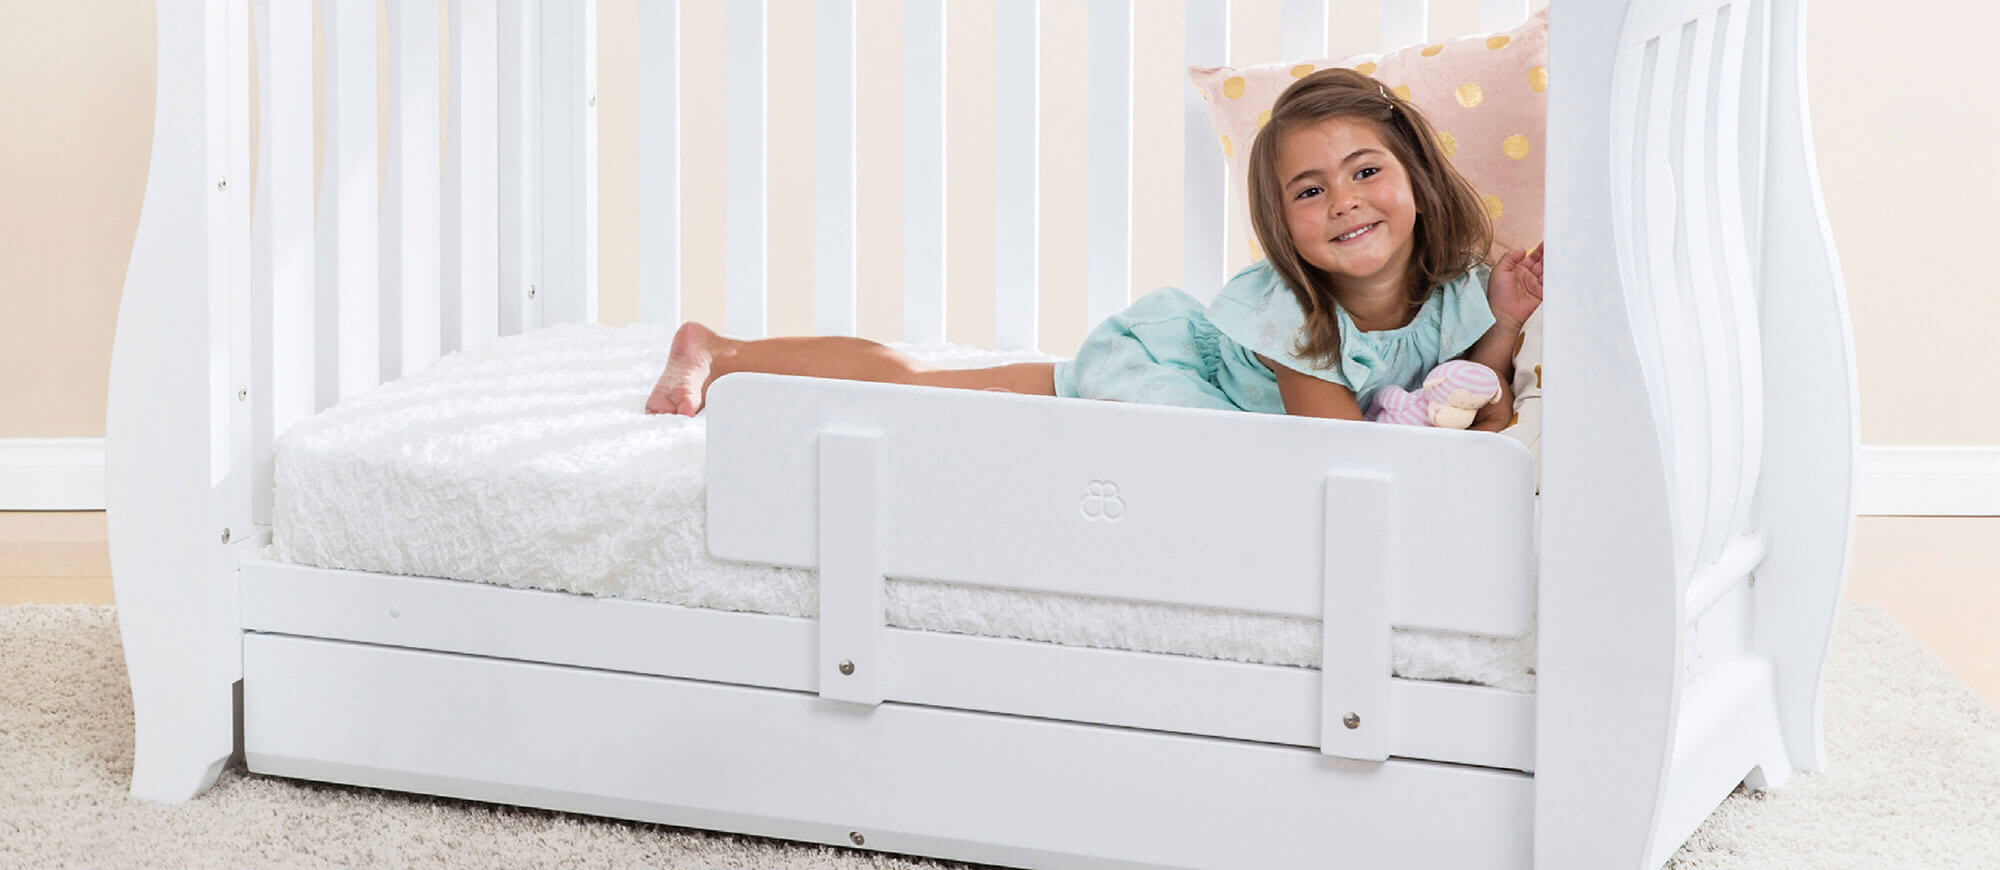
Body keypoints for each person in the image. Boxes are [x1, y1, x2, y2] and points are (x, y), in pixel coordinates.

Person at [645, 68, 1542, 431]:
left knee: (928, 383)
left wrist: (1503, 325)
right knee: (925, 392)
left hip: (1224, 404)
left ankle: (725, 353)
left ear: (1418, 179)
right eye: (1310, 190)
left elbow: (1468, 375)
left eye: (1364, 172)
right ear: (1283, 224)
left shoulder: (1462, 283)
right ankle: (721, 353)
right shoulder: (1290, 311)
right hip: (1164, 374)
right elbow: (1342, 452)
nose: (1343, 202)